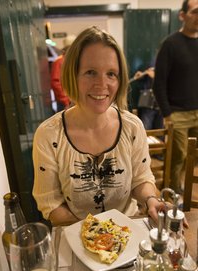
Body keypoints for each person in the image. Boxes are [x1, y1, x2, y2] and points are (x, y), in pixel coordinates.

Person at [32, 26, 168, 227]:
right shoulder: (48, 135)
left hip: (128, 231)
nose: (102, 84)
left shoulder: (132, 127)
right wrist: (95, 234)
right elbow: (51, 204)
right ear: (72, 75)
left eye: (111, 74)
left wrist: (151, 200)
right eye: (90, 72)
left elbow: (140, 179)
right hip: (75, 236)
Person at [153, 0, 198, 194]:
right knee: (177, 157)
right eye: (195, 12)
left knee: (193, 157)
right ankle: (171, 193)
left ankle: (186, 191)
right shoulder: (170, 44)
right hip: (177, 113)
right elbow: (158, 83)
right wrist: (167, 114)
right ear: (182, 15)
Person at [50, 35, 76, 112]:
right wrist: (65, 101)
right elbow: (55, 83)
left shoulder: (74, 61)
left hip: (74, 100)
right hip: (65, 103)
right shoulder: (59, 62)